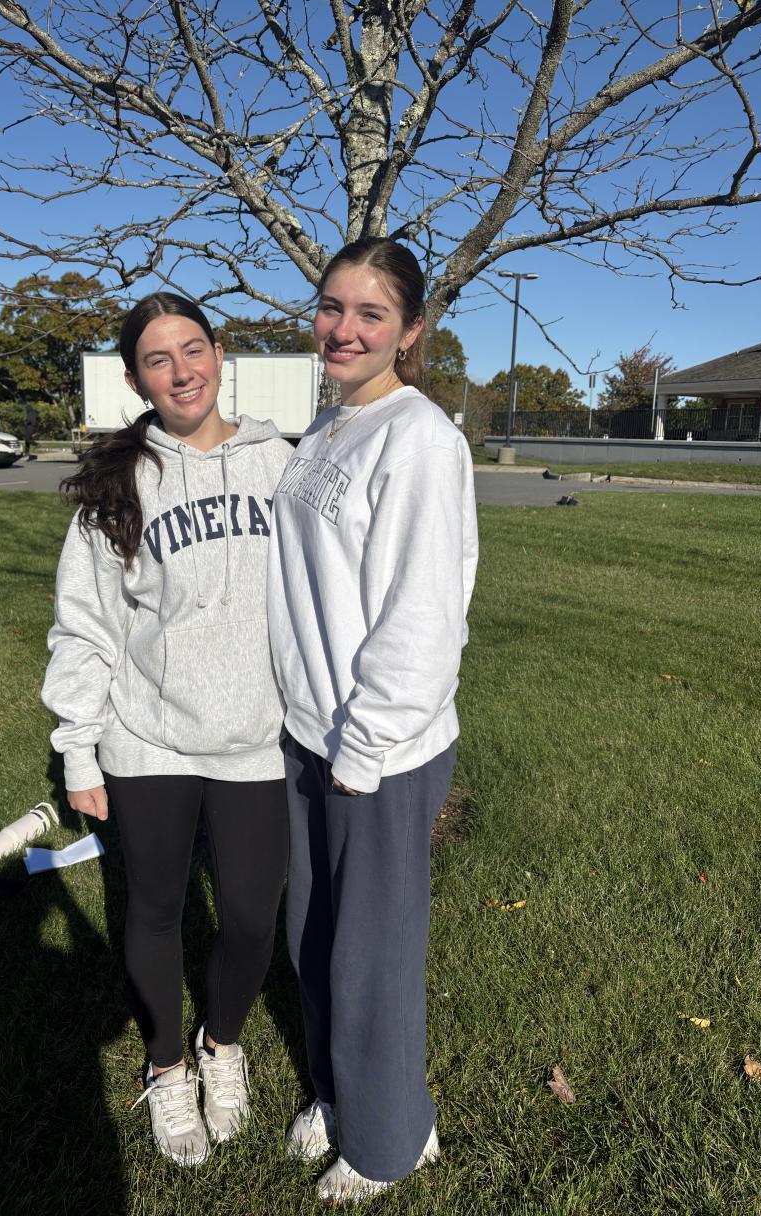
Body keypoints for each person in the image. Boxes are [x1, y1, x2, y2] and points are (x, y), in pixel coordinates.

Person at [42, 292, 291, 1168]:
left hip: (260, 739)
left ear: (220, 355)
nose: (182, 372)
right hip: (147, 737)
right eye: (159, 359)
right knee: (153, 908)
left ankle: (221, 1043)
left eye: (193, 350)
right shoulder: (120, 484)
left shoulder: (283, 465)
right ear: (135, 378)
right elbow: (87, 624)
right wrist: (78, 747)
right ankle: (167, 1065)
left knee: (252, 917)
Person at [267, 237, 478, 1203]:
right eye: (331, 307)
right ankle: (339, 1090)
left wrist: (366, 744)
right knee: (313, 934)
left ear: (411, 331)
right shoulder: (330, 424)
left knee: (371, 955)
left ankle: (391, 1142)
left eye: (370, 314)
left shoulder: (419, 439)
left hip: (377, 748)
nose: (343, 329)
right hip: (311, 729)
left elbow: (425, 615)